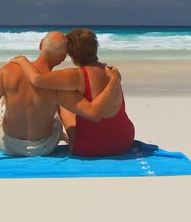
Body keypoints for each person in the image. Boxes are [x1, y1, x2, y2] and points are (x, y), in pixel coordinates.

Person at [0, 31, 123, 166]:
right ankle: (60, 133)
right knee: (61, 107)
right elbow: (90, 111)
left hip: (8, 145)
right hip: (44, 147)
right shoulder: (58, 84)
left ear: (40, 45)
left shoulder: (6, 71)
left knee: (4, 100)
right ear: (62, 58)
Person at [11, 28, 135, 157]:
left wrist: (22, 60)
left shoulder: (77, 75)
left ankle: (64, 136)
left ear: (72, 56)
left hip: (91, 147)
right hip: (124, 141)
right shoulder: (111, 71)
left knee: (61, 94)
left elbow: (37, 79)